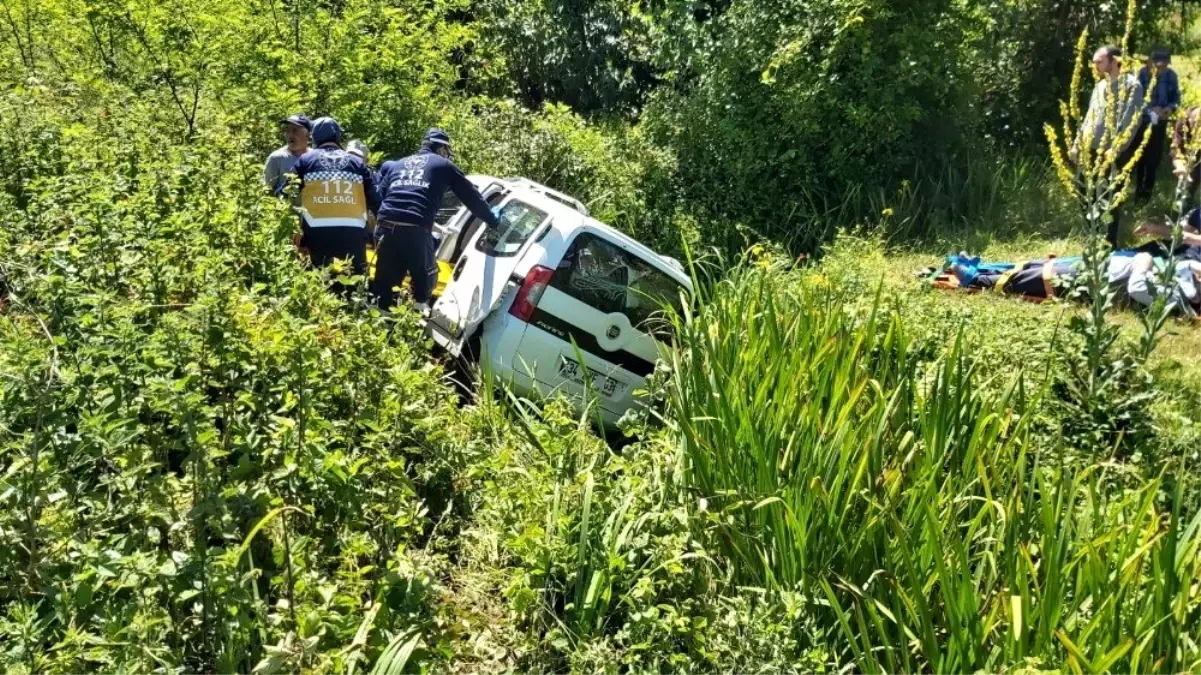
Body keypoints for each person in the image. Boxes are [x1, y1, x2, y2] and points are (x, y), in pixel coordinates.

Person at [372, 128, 501, 312]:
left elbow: (380, 196)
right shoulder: (444, 166)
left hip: (384, 227)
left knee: (385, 284)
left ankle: (380, 324)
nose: (447, 155)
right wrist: (492, 219)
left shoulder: (398, 164)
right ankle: (413, 320)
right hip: (414, 231)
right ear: (441, 148)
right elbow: (471, 196)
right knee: (426, 279)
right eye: (447, 152)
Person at [292, 117, 380, 278]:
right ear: (338, 137)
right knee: (357, 279)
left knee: (320, 279)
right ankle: (356, 301)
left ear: (314, 137)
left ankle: (323, 298)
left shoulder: (305, 160)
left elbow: (286, 191)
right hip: (353, 233)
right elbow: (376, 200)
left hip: (317, 232)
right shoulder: (357, 163)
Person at [1075, 45, 1145, 247]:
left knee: (1110, 197)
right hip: (1090, 150)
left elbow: (1132, 119)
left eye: (1100, 62)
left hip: (1113, 152)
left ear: (1114, 61)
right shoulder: (1100, 86)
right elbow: (1090, 116)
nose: (1095, 66)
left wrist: (1117, 147)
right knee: (1084, 191)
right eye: (1094, 62)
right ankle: (1092, 234)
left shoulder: (1132, 86)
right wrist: (1077, 144)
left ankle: (1109, 242)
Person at [1134, 48, 1181, 203]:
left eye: (1164, 65)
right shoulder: (1141, 75)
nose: (1161, 68)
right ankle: (1138, 192)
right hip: (1142, 122)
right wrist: (1149, 109)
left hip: (1160, 123)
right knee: (1140, 158)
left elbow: (1176, 98)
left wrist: (1168, 108)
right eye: (1158, 64)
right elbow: (1134, 100)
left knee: (1153, 160)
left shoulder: (1171, 76)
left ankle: (1147, 194)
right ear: (1150, 62)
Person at [263, 113, 312, 196]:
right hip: (287, 208)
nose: (290, 134)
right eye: (287, 130)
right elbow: (267, 191)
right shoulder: (277, 158)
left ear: (307, 135)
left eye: (295, 130)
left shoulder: (315, 157)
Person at [1171, 106, 1201, 208]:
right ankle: (1180, 212)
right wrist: (1180, 167)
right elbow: (1176, 149)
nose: (1196, 131)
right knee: (1185, 186)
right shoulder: (1184, 120)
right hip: (1189, 158)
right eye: (1194, 125)